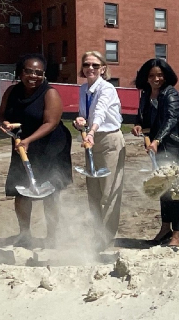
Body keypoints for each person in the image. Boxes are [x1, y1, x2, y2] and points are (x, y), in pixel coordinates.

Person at [0, 54, 72, 247]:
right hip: (22, 144)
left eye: (38, 73)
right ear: (21, 72)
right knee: (21, 190)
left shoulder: (50, 93)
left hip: (51, 146)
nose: (33, 76)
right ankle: (24, 234)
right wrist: (5, 124)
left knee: (50, 191)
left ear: (44, 75)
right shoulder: (12, 92)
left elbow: (51, 123)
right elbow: (2, 115)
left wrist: (29, 140)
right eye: (29, 71)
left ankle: (52, 237)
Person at [132, 58, 179, 247]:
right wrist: (137, 126)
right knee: (162, 185)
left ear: (166, 75)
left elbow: (171, 119)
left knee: (175, 186)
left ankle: (176, 234)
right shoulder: (145, 94)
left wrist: (156, 140)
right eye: (151, 76)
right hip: (159, 144)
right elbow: (141, 117)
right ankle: (165, 227)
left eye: (159, 75)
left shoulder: (171, 94)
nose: (156, 79)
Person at [73, 50, 126, 249]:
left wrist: (91, 131)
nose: (90, 68)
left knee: (110, 191)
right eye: (87, 65)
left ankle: (106, 238)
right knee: (93, 192)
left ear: (103, 69)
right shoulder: (83, 89)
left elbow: (102, 112)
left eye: (95, 65)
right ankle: (95, 235)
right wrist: (80, 122)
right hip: (91, 141)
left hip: (109, 141)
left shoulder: (107, 88)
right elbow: (85, 115)